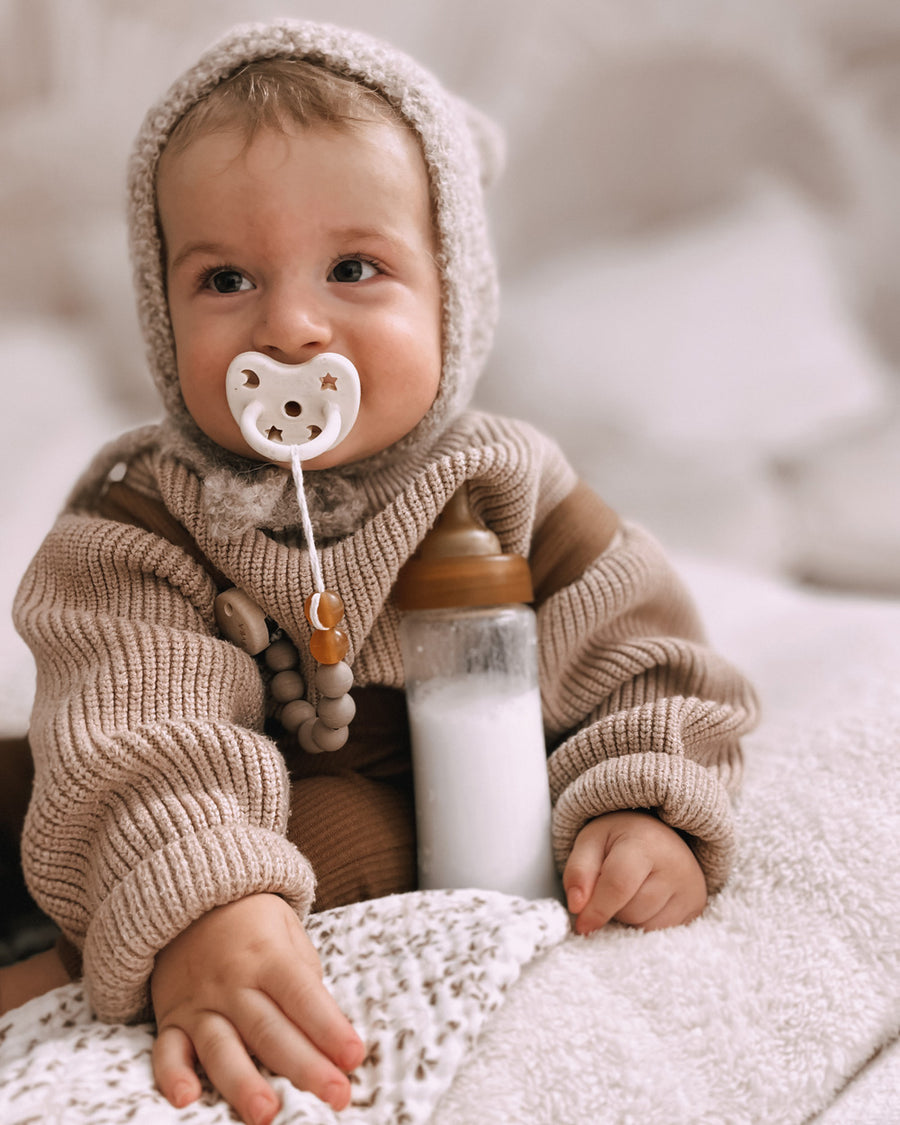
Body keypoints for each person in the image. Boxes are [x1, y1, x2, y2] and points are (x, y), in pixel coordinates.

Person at [4, 19, 758, 1125]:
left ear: (452, 295)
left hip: (401, 811)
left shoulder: (508, 487)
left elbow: (648, 664)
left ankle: (45, 987)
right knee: (40, 788)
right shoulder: (142, 512)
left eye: (354, 268)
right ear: (163, 317)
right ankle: (174, 905)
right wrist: (198, 882)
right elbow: (136, 728)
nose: (293, 326)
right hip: (165, 798)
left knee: (355, 837)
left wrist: (647, 805)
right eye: (226, 279)